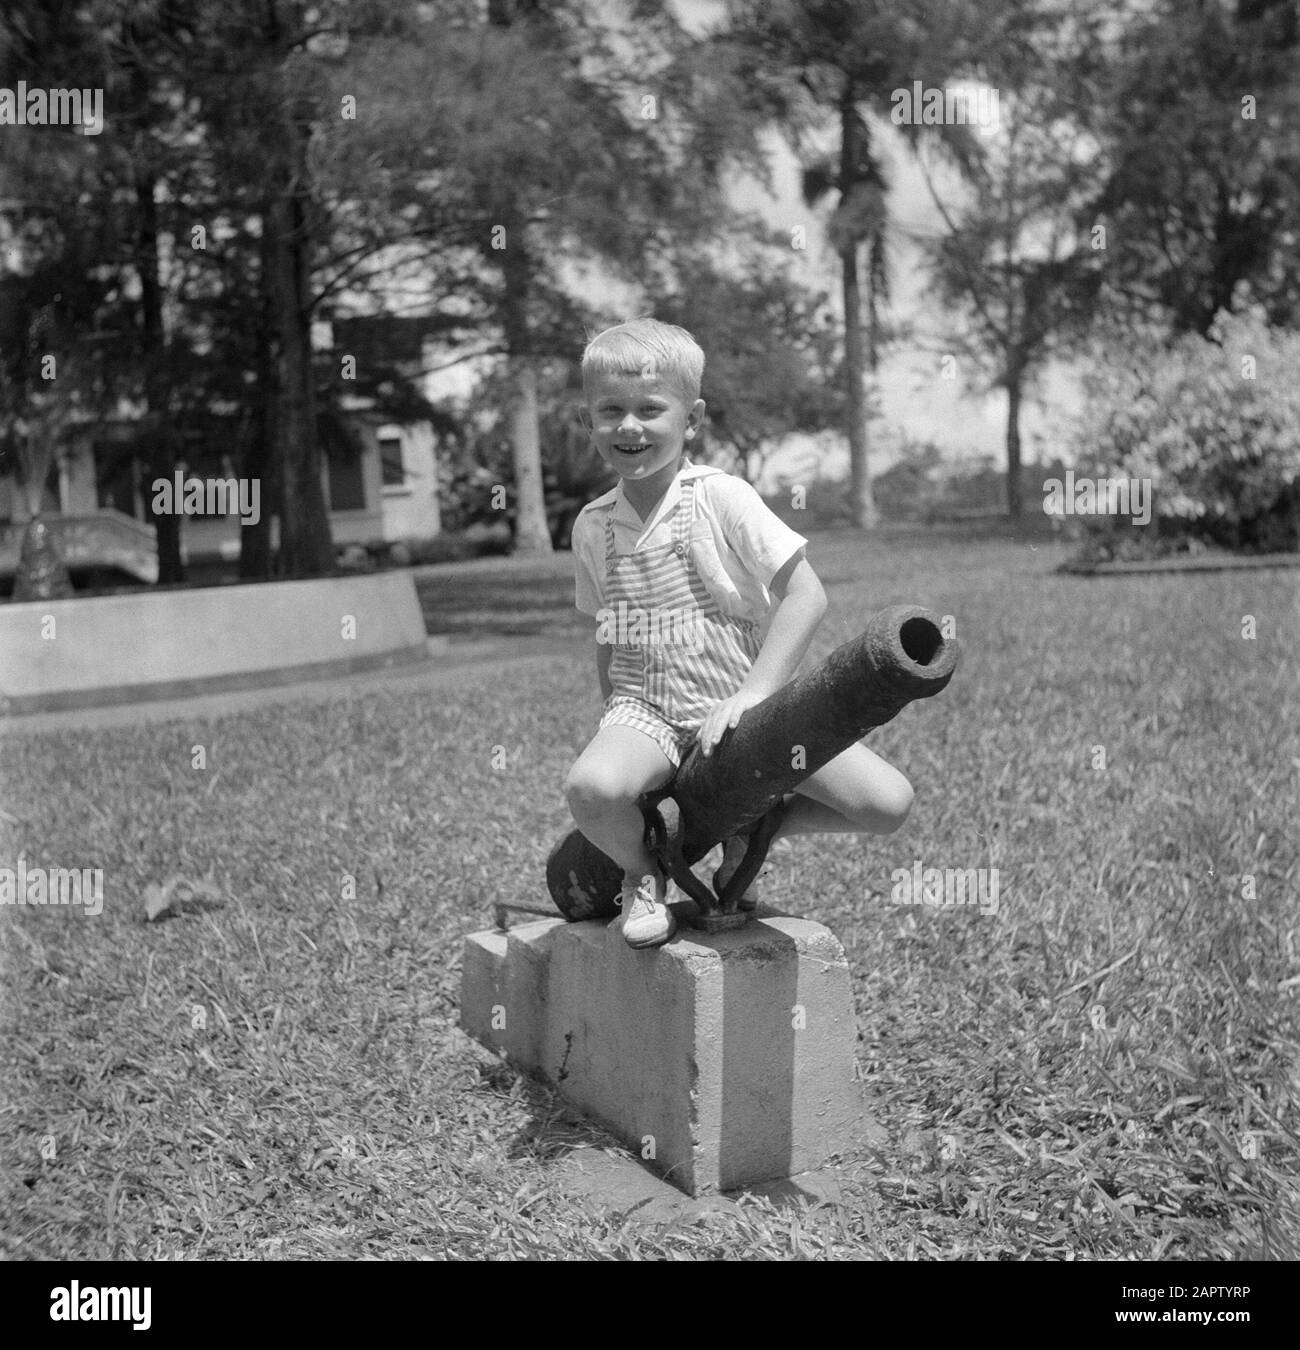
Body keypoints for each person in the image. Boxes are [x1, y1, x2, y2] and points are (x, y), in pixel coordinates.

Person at [563, 318, 914, 948]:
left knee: (886, 804)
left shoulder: (720, 498)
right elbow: (606, 629)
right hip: (646, 711)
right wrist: (610, 720)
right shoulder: (592, 526)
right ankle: (643, 873)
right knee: (590, 789)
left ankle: (758, 819)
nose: (629, 427)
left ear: (691, 419)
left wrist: (755, 694)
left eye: (650, 409)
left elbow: (805, 594)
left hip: (736, 701)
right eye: (609, 410)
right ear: (587, 418)